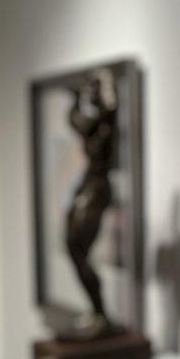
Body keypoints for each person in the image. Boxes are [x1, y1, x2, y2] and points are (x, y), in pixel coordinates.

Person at [63, 70, 118, 340]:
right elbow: (76, 121)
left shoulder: (106, 125)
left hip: (97, 189)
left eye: (96, 94)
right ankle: (98, 312)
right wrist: (74, 99)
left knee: (77, 246)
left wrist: (105, 88)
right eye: (90, 94)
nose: (93, 99)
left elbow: (107, 110)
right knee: (72, 245)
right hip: (87, 185)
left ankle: (100, 313)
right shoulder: (93, 125)